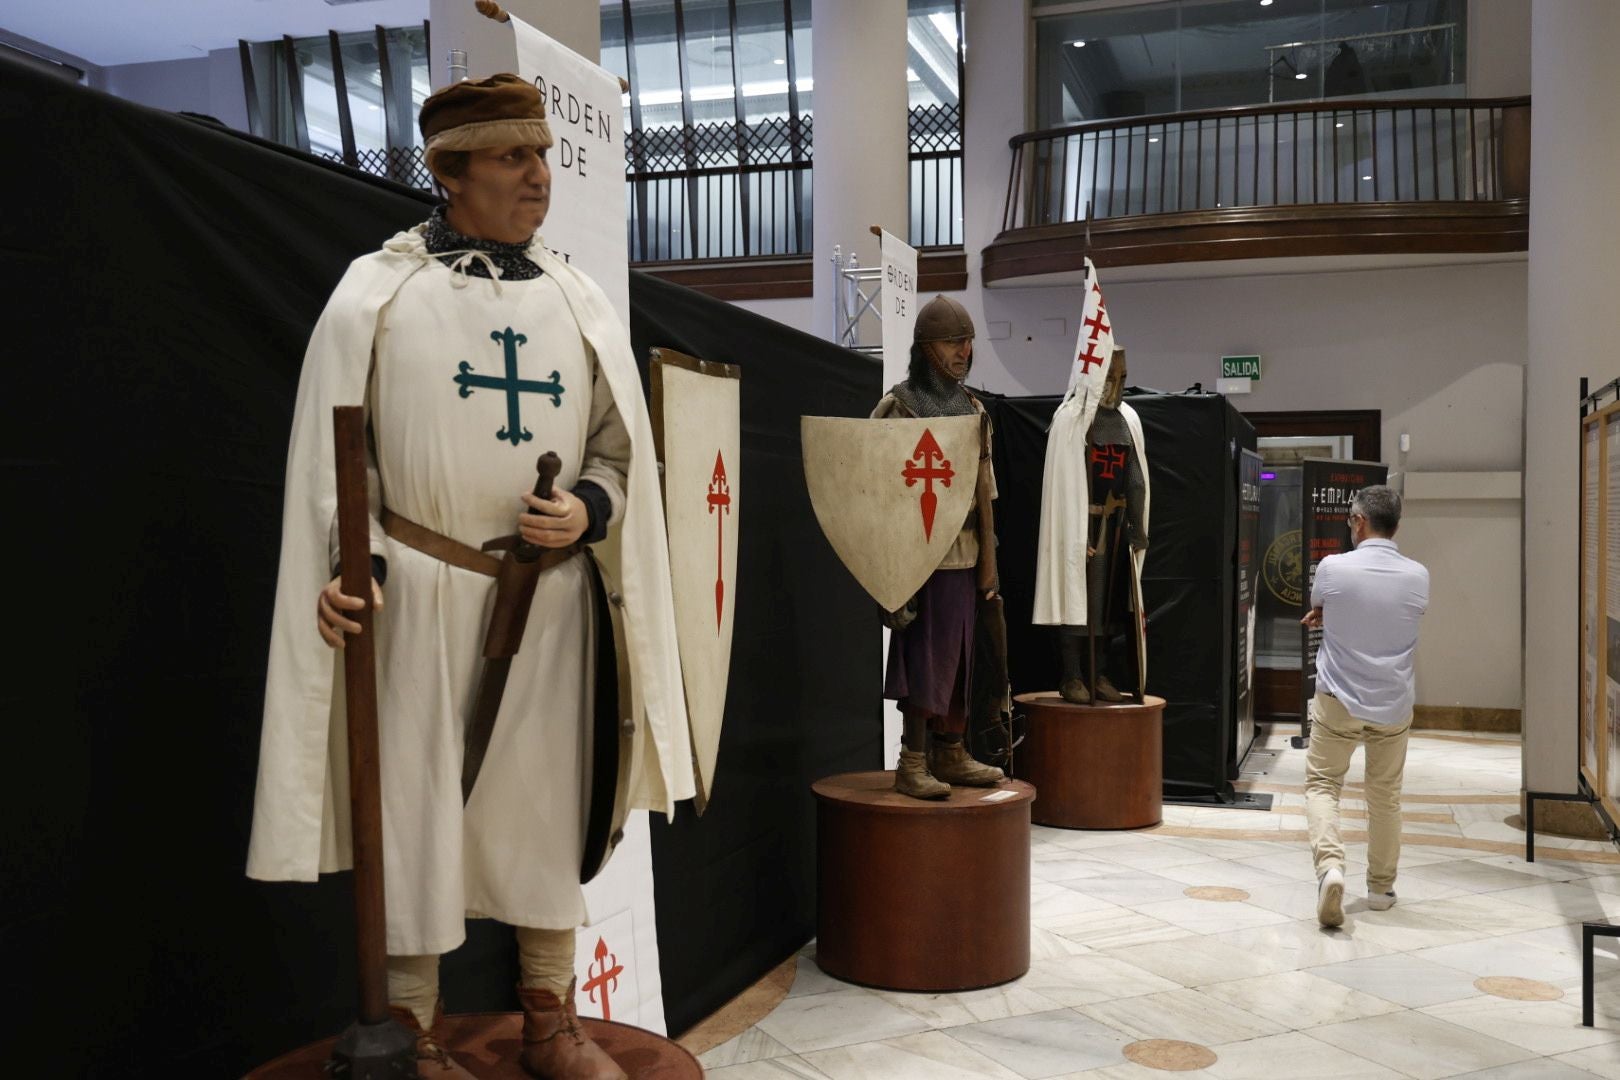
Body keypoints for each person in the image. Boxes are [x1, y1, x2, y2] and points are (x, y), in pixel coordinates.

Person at [246, 74, 693, 1080]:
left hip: (550, 598)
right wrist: (350, 562)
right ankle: (410, 1029)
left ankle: (549, 1019)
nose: (540, 177)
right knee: (413, 808)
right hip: (417, 598)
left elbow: (621, 451)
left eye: (540, 156)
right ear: (452, 172)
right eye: (512, 159)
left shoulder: (576, 297)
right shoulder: (379, 292)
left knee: (540, 805)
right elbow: (335, 464)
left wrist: (585, 509)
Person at [874, 295, 1006, 799]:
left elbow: (984, 492)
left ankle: (951, 751)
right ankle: (912, 761)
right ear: (926, 348)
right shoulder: (900, 407)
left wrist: (988, 565)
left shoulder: (973, 410)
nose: (964, 351)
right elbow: (877, 496)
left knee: (963, 658)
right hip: (923, 559)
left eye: (968, 341)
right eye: (954, 341)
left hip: (968, 556)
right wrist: (893, 580)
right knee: (927, 659)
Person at [1301, 485, 1428, 929]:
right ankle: (1380, 889)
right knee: (1384, 796)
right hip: (1392, 702)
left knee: (1322, 785)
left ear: (1357, 521)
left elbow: (1322, 603)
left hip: (1338, 698)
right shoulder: (1418, 575)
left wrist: (1326, 613)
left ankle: (1331, 868)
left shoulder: (1333, 568)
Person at [1055, 348, 1148, 704]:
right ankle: (1072, 675)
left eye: (1122, 379)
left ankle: (1099, 673)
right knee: (1078, 606)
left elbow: (1136, 479)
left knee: (1107, 608)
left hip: (1117, 526)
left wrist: (1137, 528)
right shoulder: (1072, 420)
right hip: (1084, 526)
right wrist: (1076, 533)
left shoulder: (1126, 421)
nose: (1116, 386)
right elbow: (1064, 484)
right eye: (1109, 378)